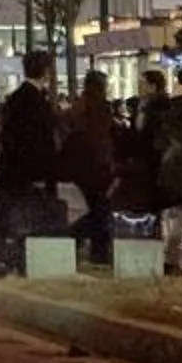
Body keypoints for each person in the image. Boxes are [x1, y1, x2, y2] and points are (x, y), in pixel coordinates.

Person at [0, 50, 60, 276]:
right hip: (29, 173)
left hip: (16, 171)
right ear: (46, 72)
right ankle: (22, 261)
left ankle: (14, 259)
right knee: (30, 218)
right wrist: (41, 173)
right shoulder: (34, 101)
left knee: (18, 218)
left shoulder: (17, 98)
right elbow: (36, 141)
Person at [64, 70, 119, 264]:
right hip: (98, 165)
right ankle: (76, 237)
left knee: (99, 207)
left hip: (82, 165)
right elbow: (102, 138)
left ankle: (98, 249)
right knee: (101, 209)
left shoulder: (79, 106)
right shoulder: (101, 107)